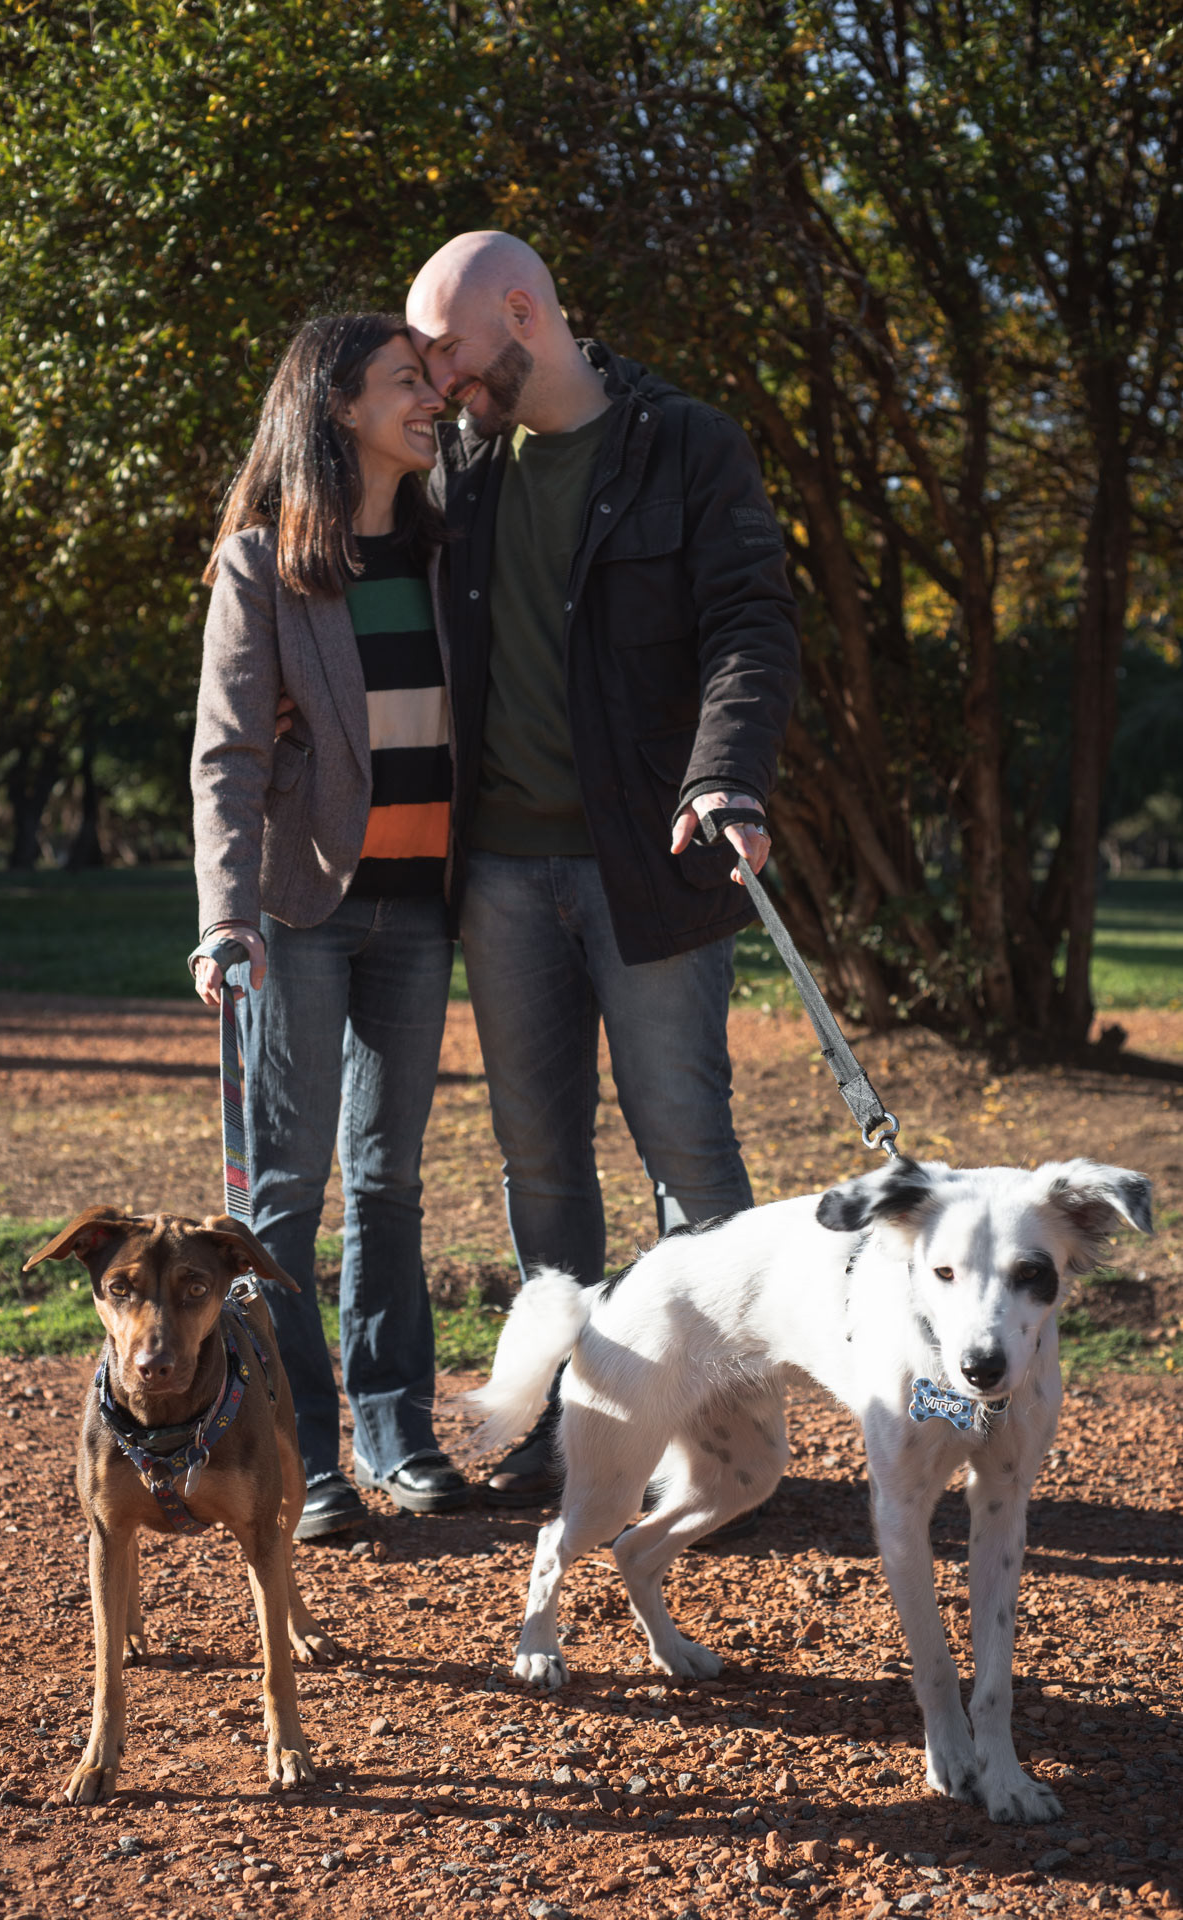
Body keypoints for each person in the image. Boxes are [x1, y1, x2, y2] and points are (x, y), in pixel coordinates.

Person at [406, 233, 801, 1507]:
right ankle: (568, 1433)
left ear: (522, 313)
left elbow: (750, 620)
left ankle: (722, 1447)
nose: (440, 385)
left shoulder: (683, 443)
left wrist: (726, 771)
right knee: (540, 1165)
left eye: (454, 355)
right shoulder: (457, 464)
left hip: (654, 860)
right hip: (502, 875)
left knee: (690, 1153)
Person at [189, 312, 470, 1537]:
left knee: (389, 1179)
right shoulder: (264, 565)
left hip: (422, 913)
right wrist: (223, 919)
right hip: (301, 915)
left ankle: (397, 1431)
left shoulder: (448, 548)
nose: (432, 403)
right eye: (407, 384)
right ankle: (302, 1452)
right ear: (337, 405)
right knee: (287, 1193)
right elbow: (228, 756)